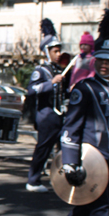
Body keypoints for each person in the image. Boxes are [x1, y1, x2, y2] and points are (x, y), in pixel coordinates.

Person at [42, 9, 109, 216]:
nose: (105, 64)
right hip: (89, 158)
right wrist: (69, 161)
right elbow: (71, 128)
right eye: (101, 59)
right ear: (94, 58)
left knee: (93, 202)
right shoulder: (84, 89)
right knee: (101, 209)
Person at [26, 18, 68, 193]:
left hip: (60, 115)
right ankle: (33, 180)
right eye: (55, 51)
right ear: (47, 52)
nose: (58, 54)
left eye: (59, 51)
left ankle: (60, 179)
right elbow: (31, 90)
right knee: (43, 149)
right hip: (46, 115)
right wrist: (51, 83)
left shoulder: (59, 70)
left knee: (64, 148)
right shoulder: (40, 71)